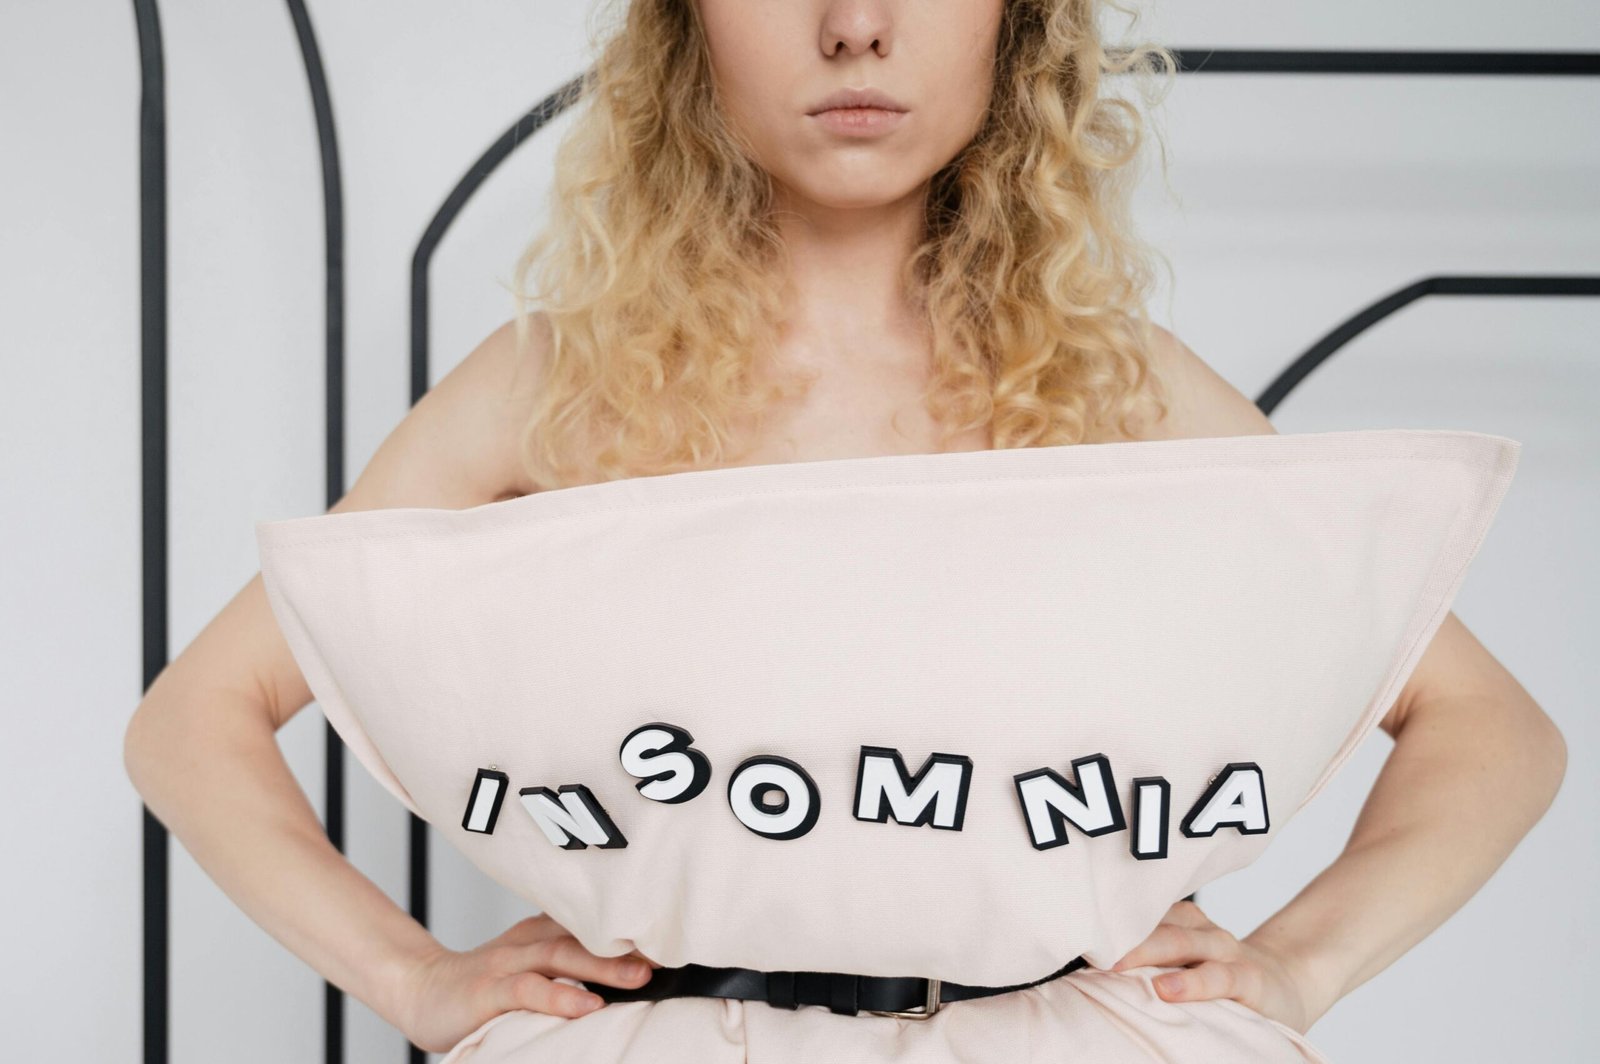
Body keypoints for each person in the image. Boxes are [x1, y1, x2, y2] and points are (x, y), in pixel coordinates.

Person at [125, 0, 1567, 1060]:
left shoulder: (1117, 386)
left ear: (1021, 29)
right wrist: (415, 980)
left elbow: (1490, 728)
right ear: (685, 31)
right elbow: (197, 718)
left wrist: (1301, 966)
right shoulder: (553, 383)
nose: (858, 27)